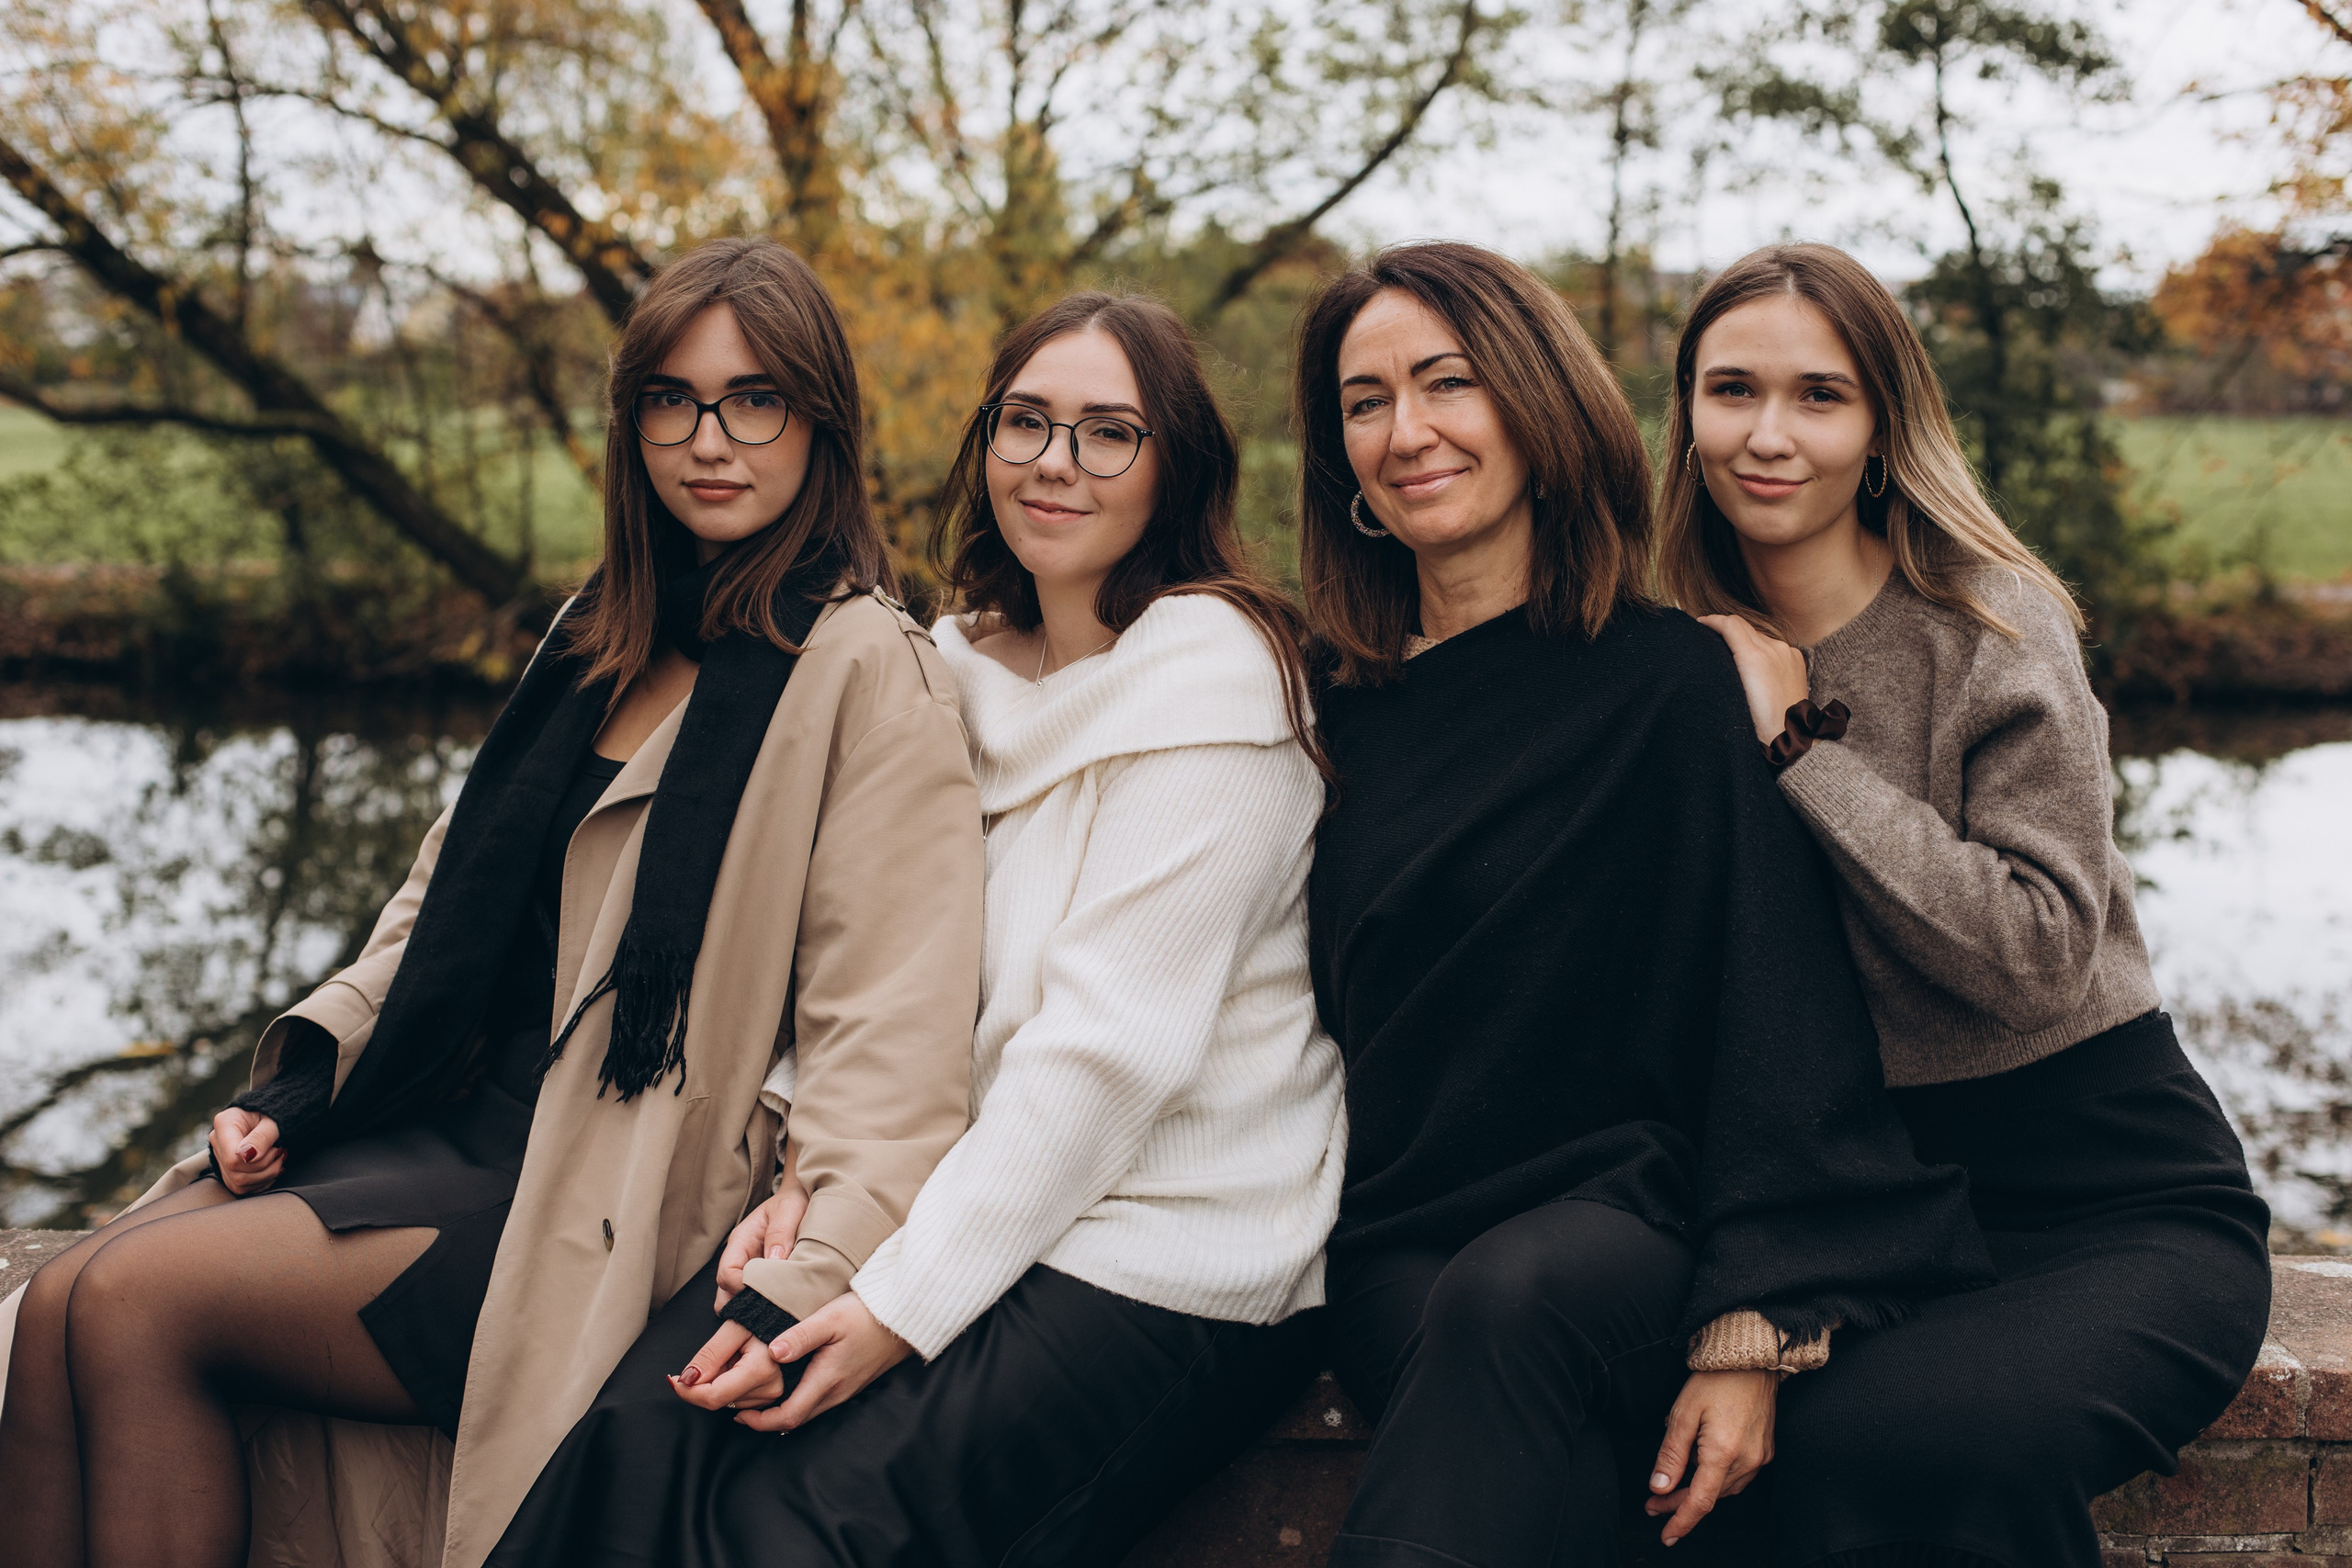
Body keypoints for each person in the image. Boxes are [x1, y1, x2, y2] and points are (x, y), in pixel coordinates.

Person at [0, 237, 985, 1568]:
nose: (710, 440)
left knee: (133, 1302)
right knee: (56, 1301)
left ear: (820, 422)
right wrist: (305, 1081)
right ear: (631, 420)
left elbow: (894, 1028)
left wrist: (816, 1271)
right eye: (673, 400)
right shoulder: (597, 630)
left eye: (755, 400)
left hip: (604, 1180)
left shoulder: (870, 669)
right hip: (449, 1113)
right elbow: (434, 914)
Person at [488, 289, 1348, 1568]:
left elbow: (1107, 1062)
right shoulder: (951, 670)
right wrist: (813, 1172)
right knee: (636, 1444)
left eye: (1109, 433)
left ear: (1177, 471)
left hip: (1164, 1248)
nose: (1054, 461)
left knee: (795, 1531)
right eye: (1025, 422)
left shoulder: (1221, 689)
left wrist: (895, 1304)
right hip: (952, 1192)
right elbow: (878, 966)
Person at [1295, 241, 1997, 1566]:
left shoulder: (1676, 684)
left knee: (1513, 1299)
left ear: (1538, 407)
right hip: (1402, 1236)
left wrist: (1752, 1332)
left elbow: (1774, 1010)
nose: (1407, 431)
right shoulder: (1324, 710)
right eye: (1365, 401)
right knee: (1548, 1473)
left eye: (1449, 383)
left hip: (1627, 1224)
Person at [1663, 240, 2272, 1568]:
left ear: (1883, 428)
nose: (1769, 435)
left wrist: (1802, 752)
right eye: (1732, 390)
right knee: (1698, 1471)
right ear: (1688, 415)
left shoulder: (1990, 623)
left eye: (1820, 396)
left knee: (1934, 1443)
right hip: (1855, 1209)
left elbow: (2037, 955)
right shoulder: (1663, 655)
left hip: (2106, 1194)